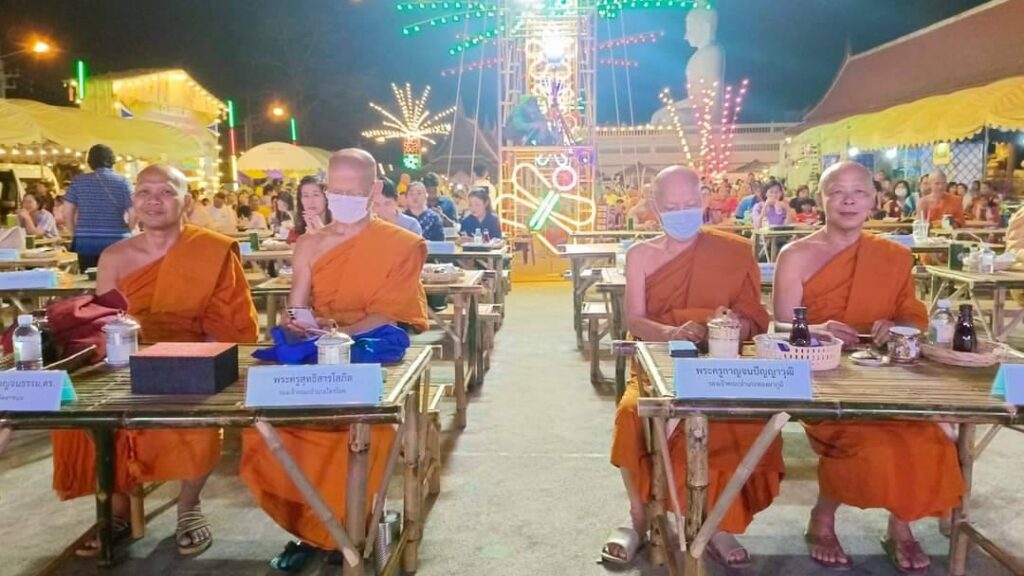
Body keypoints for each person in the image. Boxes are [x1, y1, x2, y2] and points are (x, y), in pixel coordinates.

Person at [51, 164, 259, 557]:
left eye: (165, 191)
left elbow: (229, 322)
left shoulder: (212, 250)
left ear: (187, 202)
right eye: (144, 192)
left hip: (193, 356)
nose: (153, 200)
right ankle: (117, 510)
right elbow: (105, 324)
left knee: (196, 415)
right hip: (128, 358)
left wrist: (198, 365)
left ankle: (188, 505)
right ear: (133, 202)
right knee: (83, 416)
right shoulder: (115, 256)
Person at [240, 148, 429, 571]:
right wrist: (300, 324)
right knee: (273, 430)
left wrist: (340, 332)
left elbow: (390, 313)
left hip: (369, 349)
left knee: (361, 432)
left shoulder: (402, 244)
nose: (343, 199)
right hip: (317, 350)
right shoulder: (310, 244)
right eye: (335, 191)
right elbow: (297, 306)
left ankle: (350, 530)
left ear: (374, 190)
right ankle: (311, 531)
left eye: (353, 192)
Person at [773, 161, 965, 572]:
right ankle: (823, 518)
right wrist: (818, 329)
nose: (849, 201)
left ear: (873, 200)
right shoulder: (796, 255)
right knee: (867, 440)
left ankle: (901, 526)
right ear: (821, 199)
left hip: (885, 375)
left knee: (929, 436)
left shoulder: (893, 256)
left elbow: (912, 317)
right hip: (820, 375)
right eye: (837, 192)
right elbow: (782, 326)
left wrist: (896, 327)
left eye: (858, 192)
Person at [604, 166, 781, 569]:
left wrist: (733, 324)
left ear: (703, 202)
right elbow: (635, 319)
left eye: (690, 203)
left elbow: (755, 317)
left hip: (722, 361)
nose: (682, 213)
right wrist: (671, 332)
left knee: (741, 421)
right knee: (631, 414)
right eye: (671, 206)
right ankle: (638, 518)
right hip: (658, 359)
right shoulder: (641, 255)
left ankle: (715, 522)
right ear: (654, 207)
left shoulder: (734, 251)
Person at [63, 144, 135, 269]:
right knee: (117, 277)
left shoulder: (78, 182)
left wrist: (76, 232)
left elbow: (67, 212)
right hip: (116, 240)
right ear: (112, 160)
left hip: (86, 241)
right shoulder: (123, 182)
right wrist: (129, 229)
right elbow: (134, 212)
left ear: (90, 162)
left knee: (89, 277)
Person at [290, 177, 330, 243]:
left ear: (326, 199)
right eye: (306, 196)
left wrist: (322, 231)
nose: (310, 201)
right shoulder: (295, 233)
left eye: (316, 195)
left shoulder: (341, 228)